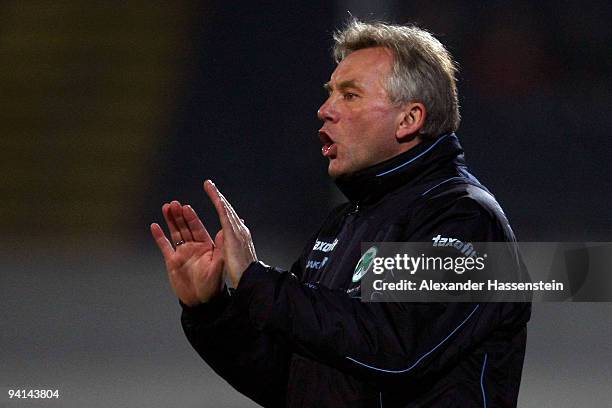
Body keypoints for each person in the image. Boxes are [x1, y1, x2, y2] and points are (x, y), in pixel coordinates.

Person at [150, 19, 531, 407]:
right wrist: (211, 309)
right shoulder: (344, 224)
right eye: (330, 93)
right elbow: (288, 377)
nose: (324, 110)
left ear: (409, 119)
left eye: (349, 95)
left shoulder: (463, 219)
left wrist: (258, 280)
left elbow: (396, 347)